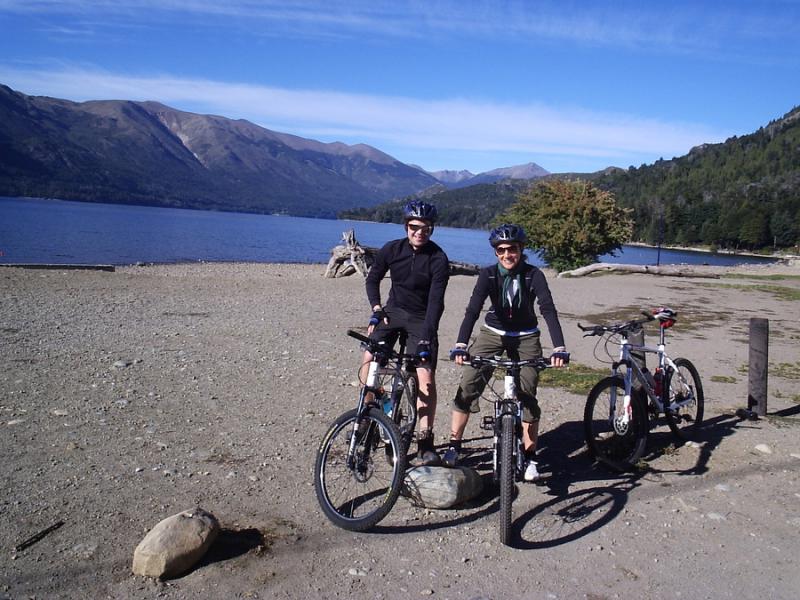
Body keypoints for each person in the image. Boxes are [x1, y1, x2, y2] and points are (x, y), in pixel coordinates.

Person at [444, 224, 568, 481]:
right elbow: (472, 309)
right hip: (493, 333)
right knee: (468, 383)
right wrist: (460, 344)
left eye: (512, 249)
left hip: (526, 336)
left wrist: (559, 347)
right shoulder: (488, 275)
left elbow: (548, 309)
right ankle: (454, 446)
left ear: (521, 249)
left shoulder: (534, 275)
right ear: (496, 252)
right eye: (501, 250)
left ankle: (531, 456)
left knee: (528, 390)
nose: (506, 255)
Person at [363, 200, 450, 465]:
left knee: (425, 375)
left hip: (422, 318)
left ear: (432, 229)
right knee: (369, 358)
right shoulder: (392, 249)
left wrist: (427, 335)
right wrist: (377, 308)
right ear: (406, 226)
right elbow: (372, 278)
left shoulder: (438, 258)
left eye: (425, 228)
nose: (419, 232)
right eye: (414, 227)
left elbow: (436, 302)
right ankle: (369, 413)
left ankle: (425, 440)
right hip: (393, 311)